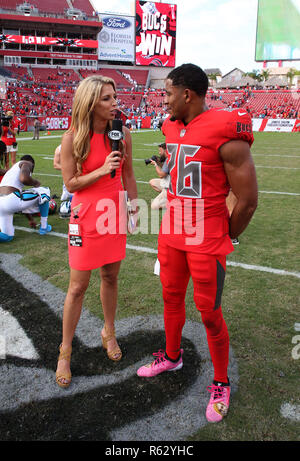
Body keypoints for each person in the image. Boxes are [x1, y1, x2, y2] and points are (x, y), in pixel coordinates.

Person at [137, 64, 258, 423]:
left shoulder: (226, 129)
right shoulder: (169, 126)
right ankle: (172, 357)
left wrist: (227, 234)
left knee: (209, 313)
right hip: (172, 232)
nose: (165, 98)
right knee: (171, 297)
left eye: (169, 92)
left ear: (187, 94)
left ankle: (221, 382)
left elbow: (248, 199)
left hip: (206, 238)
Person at [56, 75, 138, 388]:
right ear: (90, 103)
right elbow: (70, 184)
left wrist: (133, 208)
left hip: (114, 213)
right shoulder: (72, 138)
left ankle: (109, 331)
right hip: (85, 216)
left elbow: (129, 176)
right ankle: (65, 351)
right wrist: (102, 169)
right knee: (77, 287)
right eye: (107, 98)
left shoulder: (123, 134)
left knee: (111, 277)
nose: (114, 102)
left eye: (114, 96)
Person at [0, 154, 52, 242]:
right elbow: (24, 179)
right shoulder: (27, 163)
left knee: (7, 236)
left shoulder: (13, 171)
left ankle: (43, 226)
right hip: (10, 200)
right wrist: (35, 182)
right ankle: (44, 226)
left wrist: (30, 219)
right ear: (32, 164)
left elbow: (22, 201)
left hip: (2, 204)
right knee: (44, 191)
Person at [149, 142, 170, 210]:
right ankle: (165, 197)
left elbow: (161, 175)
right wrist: (158, 163)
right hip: (168, 183)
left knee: (154, 206)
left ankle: (171, 201)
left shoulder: (168, 159)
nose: (159, 153)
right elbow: (166, 170)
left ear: (165, 150)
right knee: (152, 182)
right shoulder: (170, 157)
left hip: (169, 187)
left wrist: (156, 165)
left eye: (160, 151)